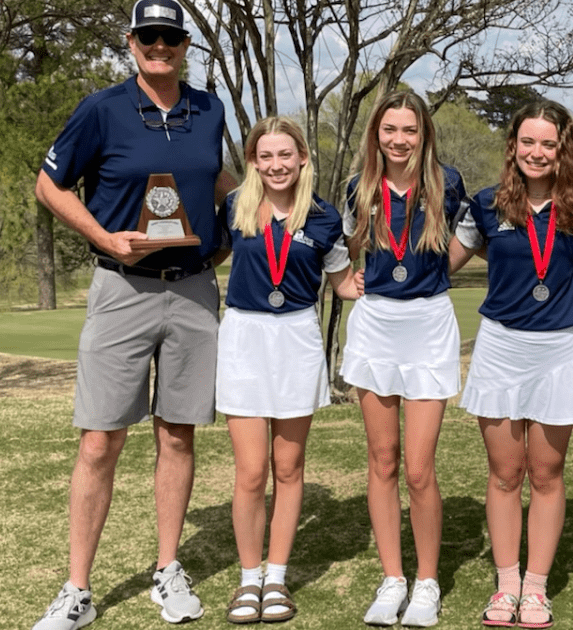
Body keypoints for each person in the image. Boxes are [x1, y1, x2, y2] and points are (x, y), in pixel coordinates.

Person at [30, 1, 236, 628]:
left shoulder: (209, 109)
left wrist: (274, 196)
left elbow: (216, 177)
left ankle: (167, 569)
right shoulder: (103, 108)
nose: (159, 46)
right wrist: (106, 237)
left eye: (170, 38)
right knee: (100, 441)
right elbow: (50, 185)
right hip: (122, 287)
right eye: (149, 37)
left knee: (178, 432)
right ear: (132, 42)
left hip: (197, 288)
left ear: (184, 45)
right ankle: (78, 590)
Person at [448, 100, 573, 629]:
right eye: (528, 142)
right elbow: (443, 261)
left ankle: (536, 590)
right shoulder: (487, 204)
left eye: (549, 144)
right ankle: (506, 583)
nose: (538, 153)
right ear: (513, 146)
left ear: (563, 152)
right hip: (499, 349)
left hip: (556, 349)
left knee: (547, 473)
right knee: (505, 473)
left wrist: (567, 300)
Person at [217, 117, 361, 624]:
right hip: (245, 338)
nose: (276, 165)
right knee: (252, 472)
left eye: (286, 155)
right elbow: (203, 253)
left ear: (303, 157)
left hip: (297, 339)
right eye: (266, 156)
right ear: (254, 161)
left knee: (289, 468)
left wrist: (380, 281)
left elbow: (344, 282)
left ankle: (276, 577)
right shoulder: (235, 207)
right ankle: (248, 578)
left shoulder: (323, 217)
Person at [340, 91, 467, 628]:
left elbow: (460, 247)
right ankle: (393, 577)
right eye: (389, 129)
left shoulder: (448, 182)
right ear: (376, 134)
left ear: (424, 134)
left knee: (418, 468)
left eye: (409, 130)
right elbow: (348, 255)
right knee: (382, 460)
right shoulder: (358, 187)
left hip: (429, 325)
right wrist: (354, 284)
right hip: (375, 325)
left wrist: (433, 277)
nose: (398, 140)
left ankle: (427, 582)